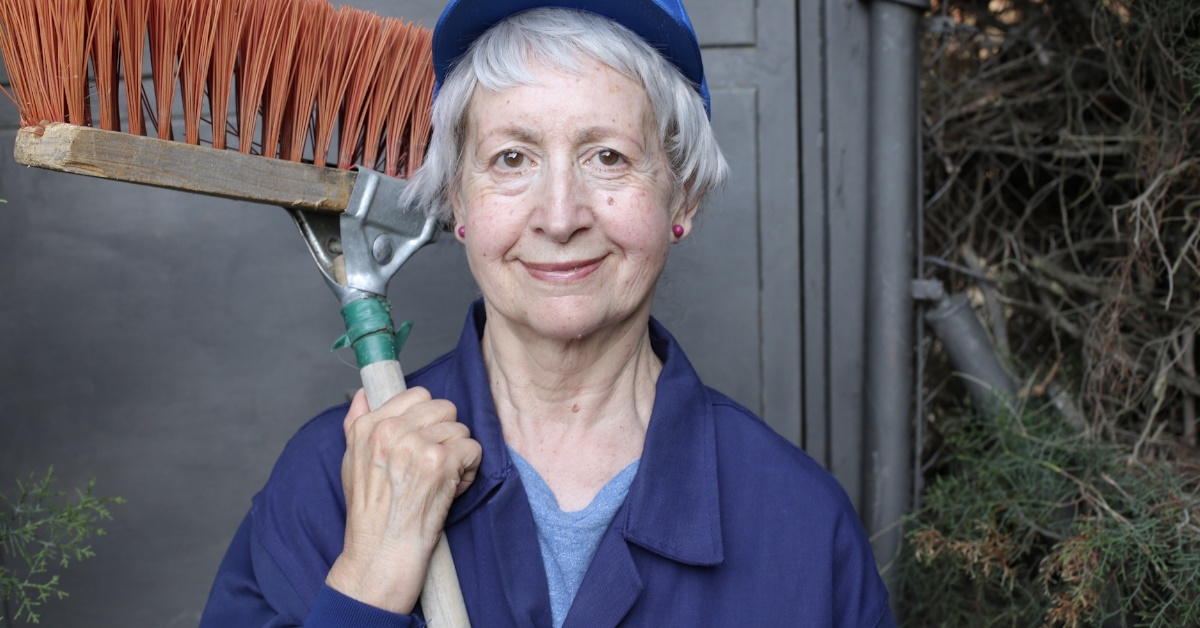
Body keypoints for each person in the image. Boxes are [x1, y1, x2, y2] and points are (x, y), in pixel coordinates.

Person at [201, 0, 894, 626]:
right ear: (458, 204)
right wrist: (368, 584)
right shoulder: (330, 480)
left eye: (607, 157)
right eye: (511, 158)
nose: (560, 217)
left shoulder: (800, 526)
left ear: (681, 200)